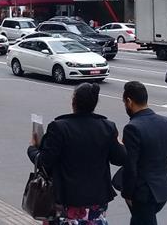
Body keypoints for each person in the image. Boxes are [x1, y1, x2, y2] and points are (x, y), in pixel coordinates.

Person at [27, 83, 126, 224]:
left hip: (66, 198)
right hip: (96, 199)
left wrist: (32, 148)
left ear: (74, 102)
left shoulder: (59, 127)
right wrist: (119, 142)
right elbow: (120, 158)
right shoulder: (107, 127)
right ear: (94, 104)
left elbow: (45, 162)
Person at [121, 81, 167, 225]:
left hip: (143, 192)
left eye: (124, 102)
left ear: (129, 101)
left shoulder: (132, 128)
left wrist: (127, 193)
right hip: (161, 190)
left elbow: (131, 165)